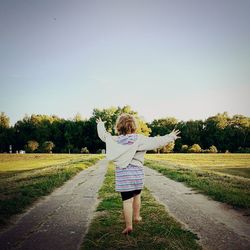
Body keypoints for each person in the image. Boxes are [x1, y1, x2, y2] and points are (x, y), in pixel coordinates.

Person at [96, 114, 181, 234]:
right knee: (137, 196)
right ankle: (136, 216)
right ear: (134, 126)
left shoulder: (115, 140)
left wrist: (100, 124)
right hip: (137, 174)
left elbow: (104, 136)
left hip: (124, 175)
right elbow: (156, 142)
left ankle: (129, 226)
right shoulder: (139, 139)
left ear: (118, 127)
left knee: (127, 201)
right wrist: (170, 136)